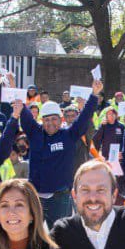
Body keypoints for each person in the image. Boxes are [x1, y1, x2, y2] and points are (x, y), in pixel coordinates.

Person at [18, 78, 103, 224]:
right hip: (36, 196)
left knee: (58, 237)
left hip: (59, 198)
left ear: (61, 119)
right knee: (33, 237)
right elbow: (23, 112)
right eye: (47, 120)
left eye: (54, 119)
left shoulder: (68, 135)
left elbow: (84, 118)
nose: (50, 123)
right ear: (41, 120)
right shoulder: (35, 132)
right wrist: (14, 88)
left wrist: (94, 95)